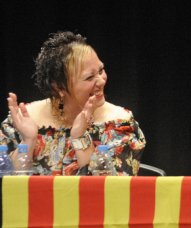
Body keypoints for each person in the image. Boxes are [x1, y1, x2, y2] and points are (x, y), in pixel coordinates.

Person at [1, 31, 146, 176]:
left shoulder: (119, 125)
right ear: (59, 88)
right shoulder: (23, 120)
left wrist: (80, 138)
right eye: (89, 77)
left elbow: (110, 192)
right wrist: (28, 141)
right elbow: (7, 186)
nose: (102, 81)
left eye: (101, 70)